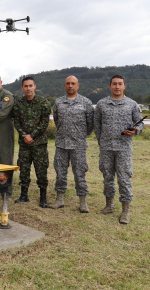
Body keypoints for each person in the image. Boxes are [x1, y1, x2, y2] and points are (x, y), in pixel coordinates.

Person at [94, 74, 143, 224]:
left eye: (120, 84)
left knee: (124, 178)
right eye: (114, 84)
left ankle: (125, 211)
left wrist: (135, 130)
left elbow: (140, 123)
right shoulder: (102, 104)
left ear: (124, 86)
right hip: (106, 148)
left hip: (124, 148)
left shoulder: (132, 104)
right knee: (107, 177)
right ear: (110, 86)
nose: (117, 86)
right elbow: (97, 125)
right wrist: (101, 142)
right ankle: (109, 206)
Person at [50, 76, 94, 213]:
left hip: (78, 145)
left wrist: (79, 134)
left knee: (80, 173)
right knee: (60, 172)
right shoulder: (58, 102)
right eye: (68, 84)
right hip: (62, 144)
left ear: (78, 85)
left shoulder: (86, 102)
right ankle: (59, 199)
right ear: (64, 86)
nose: (70, 86)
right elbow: (57, 121)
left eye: (73, 83)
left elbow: (90, 124)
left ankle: (83, 201)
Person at [13, 77, 51, 207]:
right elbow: (16, 122)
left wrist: (32, 135)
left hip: (39, 143)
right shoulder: (18, 104)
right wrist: (24, 135)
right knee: (24, 169)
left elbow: (44, 123)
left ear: (35, 86)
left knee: (41, 170)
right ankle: (24, 195)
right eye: (25, 86)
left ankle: (43, 197)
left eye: (30, 85)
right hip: (24, 144)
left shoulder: (43, 102)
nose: (28, 88)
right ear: (22, 88)